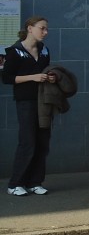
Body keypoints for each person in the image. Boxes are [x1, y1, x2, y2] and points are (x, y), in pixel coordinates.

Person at [2, 16, 55, 196]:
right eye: (42, 28)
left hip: (43, 100)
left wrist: (50, 77)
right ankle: (15, 183)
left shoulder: (44, 50)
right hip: (26, 101)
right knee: (28, 142)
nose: (45, 32)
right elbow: (7, 78)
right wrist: (33, 77)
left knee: (42, 142)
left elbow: (47, 69)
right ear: (30, 28)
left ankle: (35, 181)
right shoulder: (15, 52)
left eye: (46, 29)